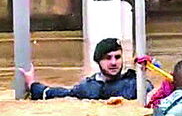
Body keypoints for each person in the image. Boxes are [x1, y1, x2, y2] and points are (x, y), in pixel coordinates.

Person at [18, 38, 151, 101]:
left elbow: (157, 95)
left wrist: (148, 70)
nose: (113, 62)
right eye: (108, 58)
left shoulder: (134, 82)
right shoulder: (88, 87)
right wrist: (32, 84)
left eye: (117, 57)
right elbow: (57, 93)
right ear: (98, 61)